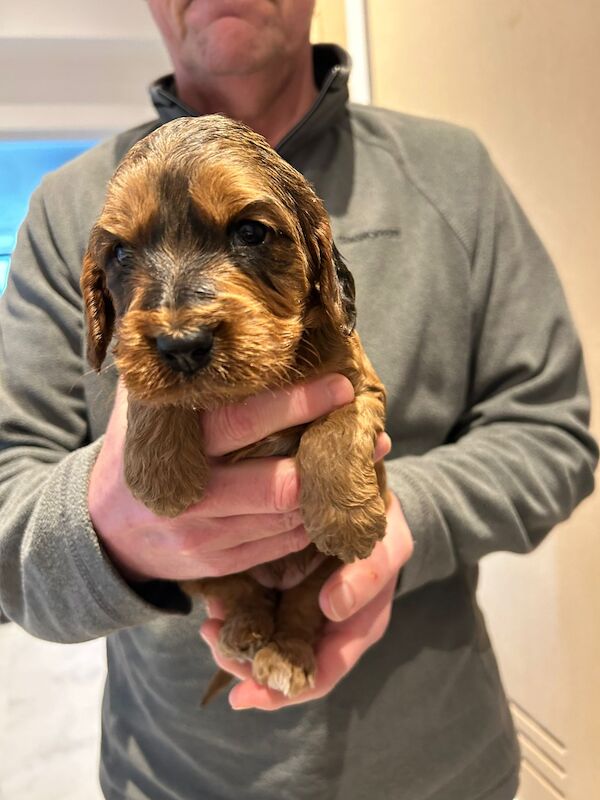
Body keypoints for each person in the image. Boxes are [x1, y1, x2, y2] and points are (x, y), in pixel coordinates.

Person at [0, 2, 596, 799]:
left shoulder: (454, 172)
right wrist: (106, 528)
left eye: (249, 235)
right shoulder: (66, 209)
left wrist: (399, 516)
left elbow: (554, 431)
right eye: (129, 256)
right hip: (171, 779)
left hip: (443, 767)